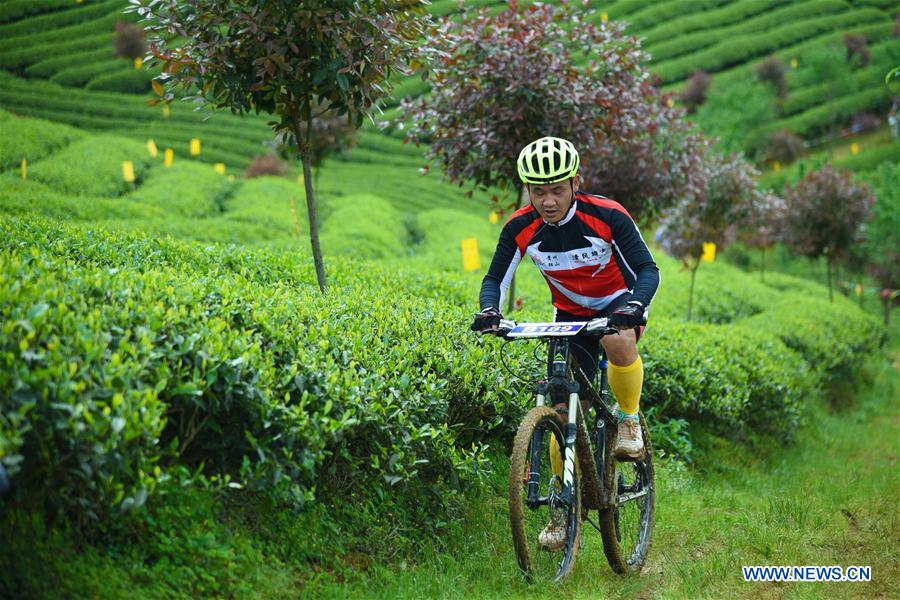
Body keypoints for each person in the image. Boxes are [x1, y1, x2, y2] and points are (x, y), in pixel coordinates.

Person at [470, 136, 660, 550]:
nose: (549, 200)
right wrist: (489, 311)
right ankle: (563, 500)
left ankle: (628, 419)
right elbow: (495, 278)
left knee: (617, 342)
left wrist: (633, 306)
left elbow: (647, 269)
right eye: (539, 191)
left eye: (557, 189)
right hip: (569, 316)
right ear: (528, 191)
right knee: (563, 405)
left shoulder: (607, 216)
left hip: (617, 306)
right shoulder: (521, 227)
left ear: (576, 182)